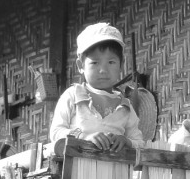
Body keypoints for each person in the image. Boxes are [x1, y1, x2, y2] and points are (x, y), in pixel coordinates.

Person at [50, 22, 145, 151]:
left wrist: (126, 141)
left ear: (121, 64)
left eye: (111, 62)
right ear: (80, 66)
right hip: (77, 170)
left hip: (115, 171)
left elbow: (139, 142)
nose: (103, 70)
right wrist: (82, 137)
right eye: (94, 63)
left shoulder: (126, 107)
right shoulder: (73, 95)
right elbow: (56, 132)